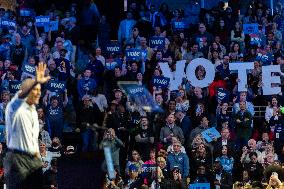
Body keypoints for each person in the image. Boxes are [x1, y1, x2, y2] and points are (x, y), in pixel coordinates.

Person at [4, 62, 51, 189]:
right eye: (35, 90)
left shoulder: (33, 112)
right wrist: (36, 81)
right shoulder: (13, 108)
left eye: (39, 90)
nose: (38, 93)